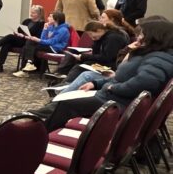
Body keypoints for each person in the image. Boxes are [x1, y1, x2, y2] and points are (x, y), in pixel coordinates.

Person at [30, 19, 173, 131]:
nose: (139, 37)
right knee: (70, 98)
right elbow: (124, 76)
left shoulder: (158, 57)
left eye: (142, 34)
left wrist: (112, 88)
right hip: (114, 98)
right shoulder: (154, 54)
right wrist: (97, 83)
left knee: (66, 105)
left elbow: (144, 82)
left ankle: (41, 138)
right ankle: (42, 126)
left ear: (155, 36)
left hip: (117, 103)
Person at [47, 20, 129, 81]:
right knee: (78, 62)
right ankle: (62, 76)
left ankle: (65, 83)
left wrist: (84, 56)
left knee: (79, 67)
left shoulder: (113, 38)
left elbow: (106, 57)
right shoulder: (104, 37)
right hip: (106, 62)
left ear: (99, 31)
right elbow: (96, 52)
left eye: (90, 34)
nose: (90, 37)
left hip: (112, 64)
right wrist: (96, 40)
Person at [0, 5, 45, 73]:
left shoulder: (41, 24)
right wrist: (17, 33)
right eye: (31, 12)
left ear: (39, 14)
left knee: (9, 37)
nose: (31, 14)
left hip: (30, 43)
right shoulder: (27, 21)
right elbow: (20, 30)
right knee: (7, 43)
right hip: (21, 39)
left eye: (33, 13)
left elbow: (38, 37)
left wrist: (24, 36)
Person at [14, 11, 70, 77]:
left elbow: (52, 42)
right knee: (29, 43)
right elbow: (43, 38)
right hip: (47, 45)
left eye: (50, 17)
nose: (48, 18)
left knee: (32, 47)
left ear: (56, 19)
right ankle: (28, 65)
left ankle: (26, 68)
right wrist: (45, 29)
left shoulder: (63, 30)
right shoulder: (51, 27)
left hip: (54, 48)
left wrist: (39, 40)